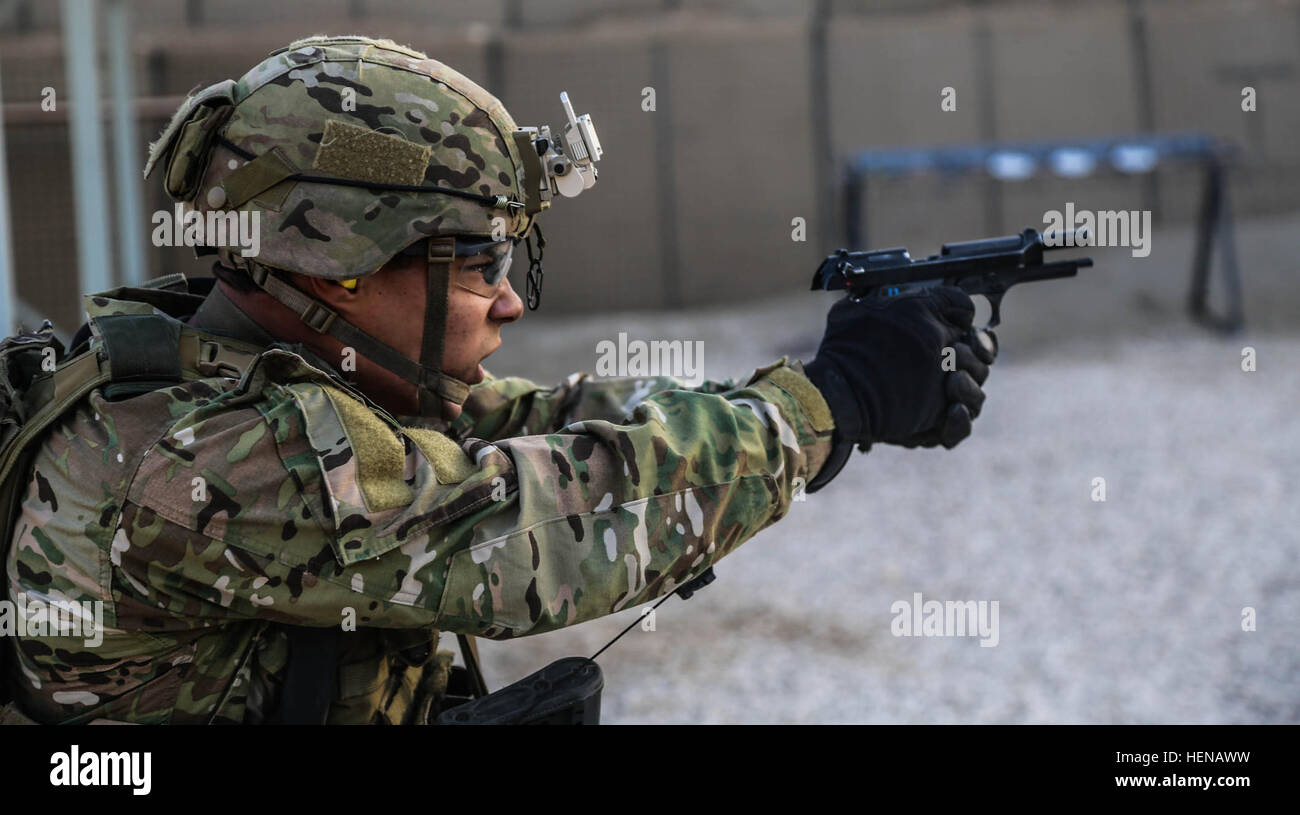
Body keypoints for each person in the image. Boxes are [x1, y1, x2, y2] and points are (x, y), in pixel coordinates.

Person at [1, 36, 992, 725]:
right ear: (339, 264)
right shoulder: (222, 458)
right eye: (478, 264)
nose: (510, 303)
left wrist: (801, 400)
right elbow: (553, 522)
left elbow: (528, 423)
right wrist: (829, 406)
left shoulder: (230, 351)